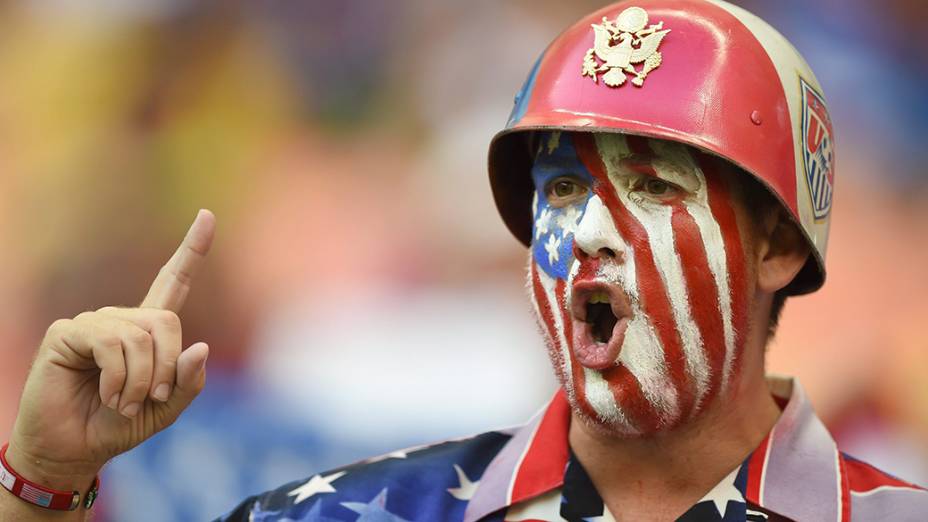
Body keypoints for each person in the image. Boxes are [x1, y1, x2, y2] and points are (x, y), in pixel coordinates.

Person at [1, 1, 925, 521]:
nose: (591, 232)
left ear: (777, 245)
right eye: (562, 191)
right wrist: (43, 482)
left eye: (651, 186)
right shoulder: (357, 516)